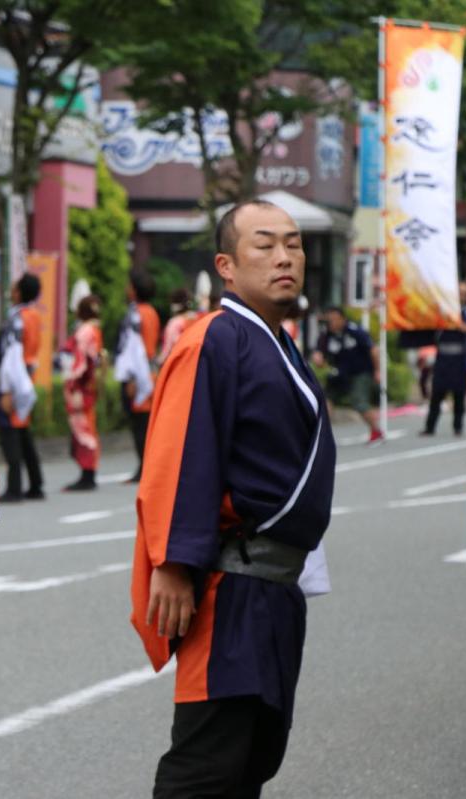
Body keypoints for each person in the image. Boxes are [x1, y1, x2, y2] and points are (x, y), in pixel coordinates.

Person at [132, 199, 335, 797]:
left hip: (273, 586)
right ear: (226, 264)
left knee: (254, 756)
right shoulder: (214, 339)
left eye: (294, 245)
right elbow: (180, 451)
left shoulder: (274, 341)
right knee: (207, 767)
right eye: (265, 245)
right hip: (228, 587)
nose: (284, 258)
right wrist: (171, 562)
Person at [0, 272, 44, 501]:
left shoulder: (16, 317)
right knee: (23, 431)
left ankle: (15, 488)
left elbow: (10, 355)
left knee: (10, 431)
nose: (11, 292)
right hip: (27, 377)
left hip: (13, 379)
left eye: (14, 288)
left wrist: (6, 389)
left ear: (21, 292)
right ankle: (36, 483)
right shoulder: (34, 316)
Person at [312, 306, 383, 444]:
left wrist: (377, 371)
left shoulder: (355, 331)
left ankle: (376, 430)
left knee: (359, 402)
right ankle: (322, 434)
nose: (331, 323)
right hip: (339, 372)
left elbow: (373, 350)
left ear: (342, 319)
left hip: (360, 372)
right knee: (326, 399)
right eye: (329, 320)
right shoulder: (326, 335)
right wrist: (318, 358)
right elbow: (319, 353)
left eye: (334, 320)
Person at [120, 268, 160, 482]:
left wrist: (132, 378)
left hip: (140, 374)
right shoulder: (151, 311)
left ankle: (145, 469)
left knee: (140, 425)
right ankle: (145, 467)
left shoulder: (136, 313)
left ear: (134, 290)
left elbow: (135, 349)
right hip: (149, 372)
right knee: (144, 425)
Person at [422, 282, 466, 437]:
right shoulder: (443, 311)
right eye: (459, 292)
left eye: (464, 293)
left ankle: (457, 427)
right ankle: (430, 427)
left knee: (459, 394)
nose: (461, 295)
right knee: (437, 393)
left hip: (460, 360)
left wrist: (461, 326)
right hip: (443, 358)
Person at [63, 294, 103, 491]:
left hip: (79, 387)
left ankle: (87, 474)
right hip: (88, 386)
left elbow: (80, 362)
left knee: (83, 429)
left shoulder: (85, 331)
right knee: (87, 427)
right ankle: (88, 472)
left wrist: (72, 382)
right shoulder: (94, 330)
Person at [158, 287, 199, 367]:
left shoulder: (174, 323)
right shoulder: (197, 319)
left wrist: (159, 361)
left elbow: (167, 349)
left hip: (177, 365)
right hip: (193, 364)